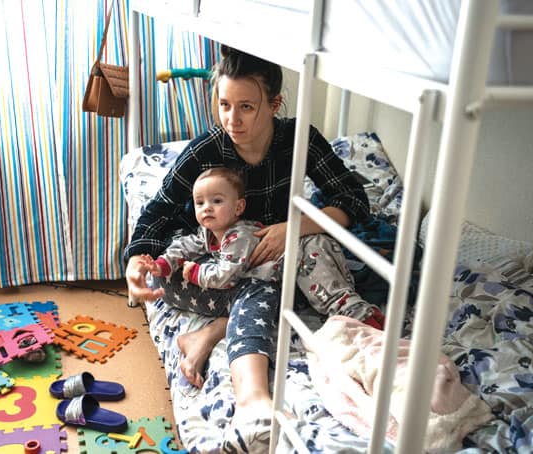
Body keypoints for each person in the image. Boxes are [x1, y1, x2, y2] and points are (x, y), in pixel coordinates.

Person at [125, 45, 373, 429]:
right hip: (213, 272)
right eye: (224, 105)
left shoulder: (297, 138)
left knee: (321, 266)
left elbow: (353, 199)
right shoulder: (205, 151)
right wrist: (136, 261)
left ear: (274, 104)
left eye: (246, 107)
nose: (232, 119)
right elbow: (158, 213)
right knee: (260, 291)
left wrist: (295, 228)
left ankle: (209, 334)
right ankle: (251, 396)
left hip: (278, 262)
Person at [142, 167, 379, 362]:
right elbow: (186, 245)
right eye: (200, 202)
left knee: (332, 298)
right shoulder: (208, 233)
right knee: (329, 294)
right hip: (295, 264)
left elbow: (226, 276)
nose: (207, 208)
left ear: (238, 208)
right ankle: (367, 316)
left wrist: (196, 273)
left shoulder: (239, 236)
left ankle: (371, 324)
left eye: (216, 201)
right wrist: (164, 263)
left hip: (306, 253)